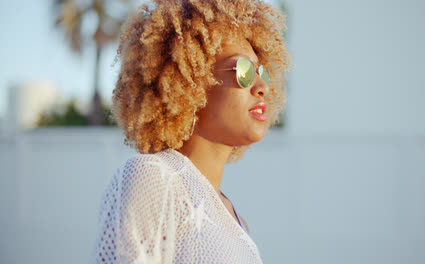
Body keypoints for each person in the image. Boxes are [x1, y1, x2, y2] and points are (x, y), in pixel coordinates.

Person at [89, 0, 290, 263]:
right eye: (244, 71)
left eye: (260, 71)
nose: (262, 86)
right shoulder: (153, 177)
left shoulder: (236, 220)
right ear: (191, 82)